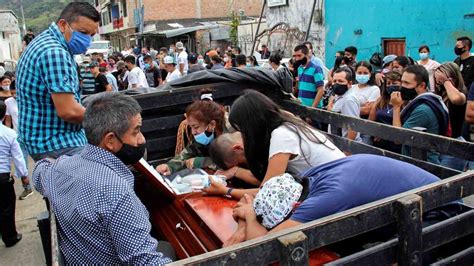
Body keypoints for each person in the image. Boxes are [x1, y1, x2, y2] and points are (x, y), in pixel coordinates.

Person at [32, 93, 174, 264]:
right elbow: (144, 261)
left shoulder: (58, 170)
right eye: (136, 131)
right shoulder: (117, 194)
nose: (141, 139)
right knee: (167, 247)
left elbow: (39, 170)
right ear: (110, 141)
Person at [227, 154, 440, 245]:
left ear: (296, 207)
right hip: (419, 199)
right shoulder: (309, 178)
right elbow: (252, 196)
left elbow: (266, 246)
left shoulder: (323, 201)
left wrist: (250, 216)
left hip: (439, 212)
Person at [16, 2, 100, 161]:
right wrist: (104, 117)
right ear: (63, 25)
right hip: (57, 142)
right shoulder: (55, 52)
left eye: (91, 35)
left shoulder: (46, 41)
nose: (87, 40)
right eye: (83, 32)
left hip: (44, 140)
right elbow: (68, 111)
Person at [225, 90, 345, 185]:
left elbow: (268, 190)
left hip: (339, 185)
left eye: (243, 130)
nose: (243, 136)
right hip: (337, 181)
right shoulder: (286, 122)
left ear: (252, 125)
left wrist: (227, 190)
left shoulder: (282, 135)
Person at [391, 65, 449, 165]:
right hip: (416, 160)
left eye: (407, 83)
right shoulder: (422, 102)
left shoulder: (423, 110)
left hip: (424, 164)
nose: (402, 86)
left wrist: (396, 108)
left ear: (421, 86)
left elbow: (398, 138)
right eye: (402, 81)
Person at [156, 99, 227, 175]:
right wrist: (170, 167)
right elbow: (189, 152)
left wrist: (200, 162)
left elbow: (229, 164)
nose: (193, 132)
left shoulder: (230, 136)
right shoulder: (207, 134)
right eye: (191, 127)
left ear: (212, 124)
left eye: (196, 127)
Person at [0, 101, 28, 247]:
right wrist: (23, 175)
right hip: (3, 177)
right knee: (6, 209)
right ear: (4, 115)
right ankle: (10, 237)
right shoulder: (9, 133)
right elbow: (18, 158)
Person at [434, 62, 468, 171]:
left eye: (442, 78)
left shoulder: (461, 94)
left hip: (454, 146)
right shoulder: (439, 95)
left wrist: (446, 81)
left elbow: (456, 99)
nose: (438, 81)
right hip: (438, 144)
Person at [368, 71, 403, 153]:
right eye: (388, 83)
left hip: (397, 146)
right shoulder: (380, 100)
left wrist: (385, 133)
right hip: (379, 144)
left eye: (394, 83)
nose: (391, 86)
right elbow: (370, 121)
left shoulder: (405, 102)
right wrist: (376, 131)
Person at [327, 68, 361, 141]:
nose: (336, 83)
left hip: (345, 146)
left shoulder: (349, 100)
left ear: (349, 84)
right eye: (334, 81)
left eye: (340, 81)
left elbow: (353, 127)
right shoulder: (339, 96)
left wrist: (347, 149)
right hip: (338, 143)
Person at [294, 44, 325, 108]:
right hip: (302, 107)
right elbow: (300, 87)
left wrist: (312, 109)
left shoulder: (316, 69)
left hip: (313, 110)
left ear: (307, 54)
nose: (297, 59)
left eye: (299, 56)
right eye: (295, 56)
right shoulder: (299, 68)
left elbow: (321, 90)